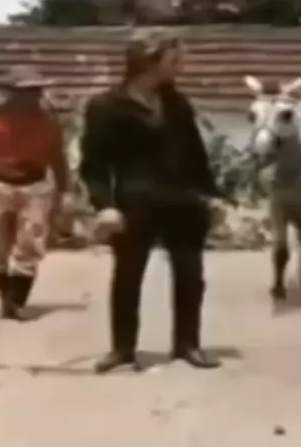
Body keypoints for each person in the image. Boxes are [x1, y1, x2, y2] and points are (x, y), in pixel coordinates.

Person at [79, 28, 224, 373]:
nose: (181, 66)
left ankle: (187, 344)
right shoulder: (106, 107)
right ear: (149, 61)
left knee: (191, 275)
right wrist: (104, 205)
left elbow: (195, 153)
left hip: (184, 201)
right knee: (128, 275)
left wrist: (211, 195)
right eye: (175, 59)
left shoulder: (177, 103)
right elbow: (94, 164)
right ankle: (123, 349)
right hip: (135, 203)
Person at [0, 65, 69, 321]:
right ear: (11, 93)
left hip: (35, 187)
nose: (33, 96)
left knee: (30, 243)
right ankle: (6, 296)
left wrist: (64, 191)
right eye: (26, 91)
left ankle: (17, 300)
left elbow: (58, 158)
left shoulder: (48, 122)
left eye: (36, 90)